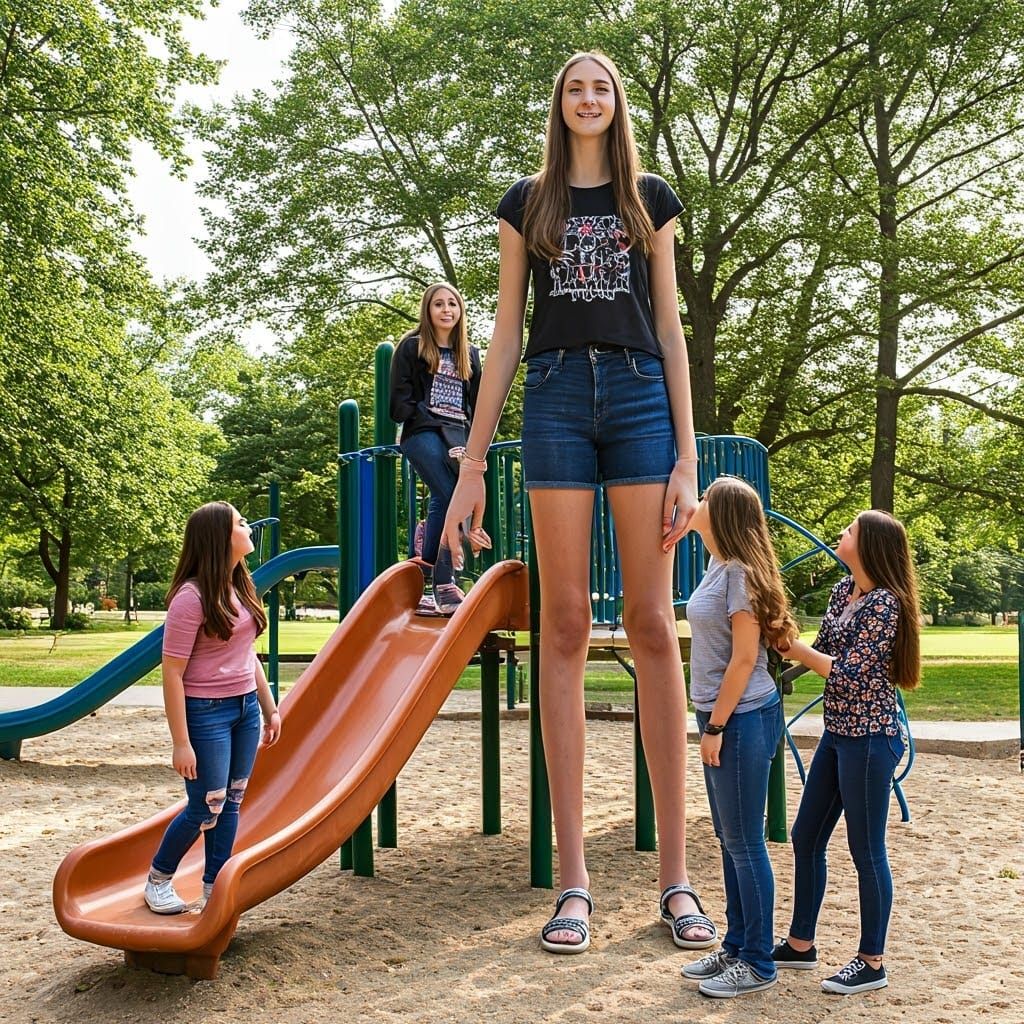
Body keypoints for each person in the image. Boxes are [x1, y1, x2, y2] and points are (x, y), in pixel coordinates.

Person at [441, 51, 716, 954]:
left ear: (616, 104)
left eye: (600, 86)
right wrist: (472, 462)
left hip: (640, 399)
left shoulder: (652, 200)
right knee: (561, 624)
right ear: (559, 105)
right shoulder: (527, 203)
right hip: (556, 399)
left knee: (648, 621)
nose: (587, 98)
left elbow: (672, 328)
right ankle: (573, 882)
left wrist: (688, 456)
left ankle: (675, 880)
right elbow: (507, 334)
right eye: (573, 87)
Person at [771, 509, 920, 994]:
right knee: (806, 835)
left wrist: (794, 649)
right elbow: (820, 650)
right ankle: (800, 945)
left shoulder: (886, 604)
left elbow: (846, 672)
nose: (842, 534)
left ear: (870, 544)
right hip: (839, 733)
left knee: (866, 849)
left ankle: (872, 962)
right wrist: (776, 654)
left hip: (872, 738)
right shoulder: (843, 592)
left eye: (850, 530)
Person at [678, 477, 798, 997]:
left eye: (704, 498)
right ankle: (736, 944)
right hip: (724, 714)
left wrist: (716, 726)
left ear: (721, 511)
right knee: (730, 842)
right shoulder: (718, 565)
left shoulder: (742, 574)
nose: (695, 503)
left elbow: (745, 658)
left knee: (746, 844)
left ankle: (758, 963)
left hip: (742, 717)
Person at [144, 501, 282, 914]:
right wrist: (180, 742)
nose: (248, 527)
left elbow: (248, 654)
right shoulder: (190, 598)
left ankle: (213, 889)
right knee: (206, 804)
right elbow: (171, 674)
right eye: (241, 523)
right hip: (206, 713)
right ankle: (158, 879)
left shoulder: (240, 585)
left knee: (232, 801)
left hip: (244, 711)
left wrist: (270, 707)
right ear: (221, 537)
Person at [390, 283, 482, 615]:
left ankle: (425, 569)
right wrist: (425, 417)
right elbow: (399, 403)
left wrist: (474, 446)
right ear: (428, 311)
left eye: (452, 304)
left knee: (449, 498)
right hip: (423, 431)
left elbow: (479, 405)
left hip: (458, 436)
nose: (446, 310)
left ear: (460, 311)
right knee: (449, 494)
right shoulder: (412, 347)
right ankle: (444, 584)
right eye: (439, 304)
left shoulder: (469, 354)